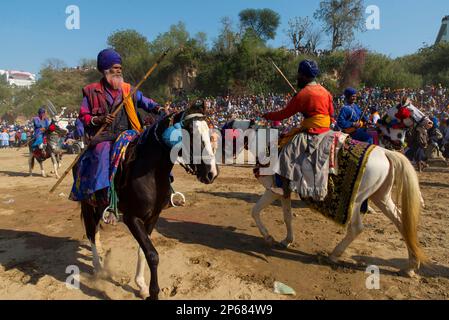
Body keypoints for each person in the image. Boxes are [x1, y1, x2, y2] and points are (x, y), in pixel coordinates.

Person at [70, 48, 165, 207]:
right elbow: (83, 116)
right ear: (105, 70)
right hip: (104, 136)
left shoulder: (128, 89)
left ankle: (166, 188)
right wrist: (99, 119)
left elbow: (145, 102)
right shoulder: (91, 91)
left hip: (129, 134)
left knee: (154, 149)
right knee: (101, 152)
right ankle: (102, 194)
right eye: (115, 68)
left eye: (120, 68)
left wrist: (158, 108)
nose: (119, 70)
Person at [262, 59, 334, 198]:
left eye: (299, 74)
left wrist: (267, 115)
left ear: (304, 76)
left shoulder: (303, 94)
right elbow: (331, 113)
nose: (297, 77)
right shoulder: (326, 92)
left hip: (313, 132)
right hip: (327, 129)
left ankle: (282, 187)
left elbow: (284, 114)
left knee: (284, 153)